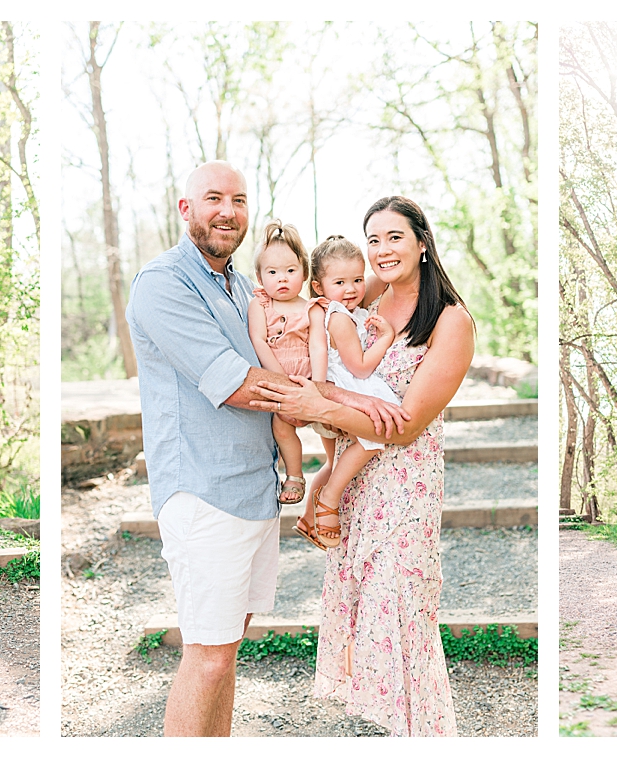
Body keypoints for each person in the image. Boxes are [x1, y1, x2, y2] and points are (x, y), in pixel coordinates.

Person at [127, 161, 405, 737]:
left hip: (253, 489)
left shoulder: (238, 285)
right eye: (213, 199)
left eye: (238, 200)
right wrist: (340, 405)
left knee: (224, 654)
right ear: (186, 210)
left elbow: (350, 288)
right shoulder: (164, 283)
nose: (227, 211)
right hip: (203, 492)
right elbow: (236, 383)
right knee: (205, 656)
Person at [246, 195, 477, 736]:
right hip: (358, 481)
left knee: (402, 613)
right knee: (366, 613)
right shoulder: (365, 294)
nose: (381, 250)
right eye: (373, 239)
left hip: (407, 484)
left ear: (422, 243)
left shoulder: (451, 321)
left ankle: (426, 735)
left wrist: (318, 406)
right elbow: (311, 307)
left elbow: (409, 424)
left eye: (394, 237)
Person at [295, 234, 402, 549]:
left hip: (330, 385)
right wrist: (387, 338)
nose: (352, 288)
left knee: (333, 462)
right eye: (340, 282)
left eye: (357, 279)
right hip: (344, 385)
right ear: (319, 287)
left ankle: (307, 520)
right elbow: (361, 367)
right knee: (372, 439)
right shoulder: (340, 317)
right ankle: (328, 499)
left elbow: (379, 281)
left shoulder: (343, 310)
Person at [245, 220, 325, 507]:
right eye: (272, 272)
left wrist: (319, 383)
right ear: (259, 276)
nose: (282, 278)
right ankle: (294, 475)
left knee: (333, 424)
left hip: (310, 380)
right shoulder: (260, 305)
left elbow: (318, 345)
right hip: (279, 384)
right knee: (282, 429)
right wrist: (281, 382)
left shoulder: (311, 307)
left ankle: (337, 473)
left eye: (290, 270)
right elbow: (259, 341)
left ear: (304, 272)